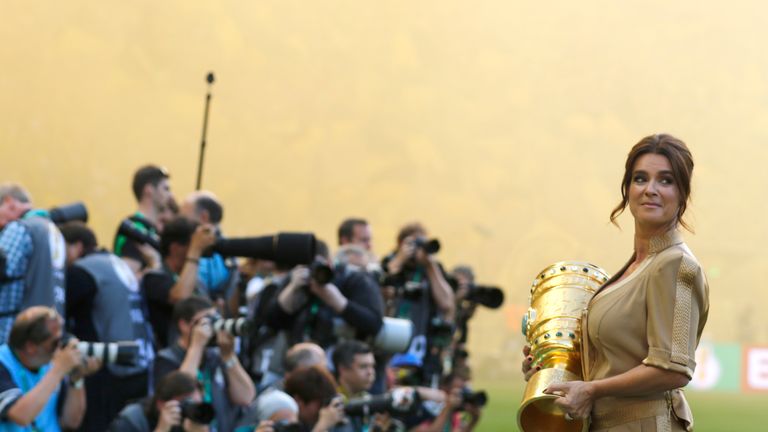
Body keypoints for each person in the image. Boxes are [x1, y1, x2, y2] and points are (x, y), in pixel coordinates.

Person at [524, 134, 709, 431]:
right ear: (627, 189)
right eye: (640, 178)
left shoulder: (674, 264)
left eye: (665, 180)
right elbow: (612, 362)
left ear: (682, 193)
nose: (650, 189)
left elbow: (674, 369)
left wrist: (592, 390)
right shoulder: (638, 266)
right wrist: (551, 371)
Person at [60, 222, 155, 431]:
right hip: (138, 363)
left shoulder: (85, 269)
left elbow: (57, 311)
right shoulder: (115, 263)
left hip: (108, 370)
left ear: (76, 246)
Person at [154, 296, 256, 432]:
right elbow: (180, 390)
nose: (212, 326)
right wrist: (196, 346)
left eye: (215, 319)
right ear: (184, 325)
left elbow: (246, 397)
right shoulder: (166, 359)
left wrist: (228, 356)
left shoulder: (215, 356)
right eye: (206, 321)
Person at [0, 306, 100, 431]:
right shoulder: (3, 363)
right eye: (55, 342)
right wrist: (58, 369)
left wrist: (76, 378)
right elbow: (21, 416)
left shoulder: (51, 364)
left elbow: (71, 422)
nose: (60, 348)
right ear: (31, 347)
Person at [381, 223, 454, 387]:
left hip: (422, 348)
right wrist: (399, 259)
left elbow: (447, 304)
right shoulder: (389, 263)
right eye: (412, 243)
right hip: (390, 345)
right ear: (400, 244)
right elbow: (380, 287)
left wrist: (430, 266)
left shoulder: (432, 269)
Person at [0, 184, 67, 344]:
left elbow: (3, 269)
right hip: (46, 335)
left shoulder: (19, 227)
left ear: (10, 203)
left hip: (13, 337)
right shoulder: (53, 231)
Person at [142, 217, 216, 348]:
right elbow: (181, 298)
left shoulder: (196, 281)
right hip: (170, 359)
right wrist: (195, 251)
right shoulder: (154, 277)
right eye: (191, 244)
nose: (200, 250)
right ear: (175, 248)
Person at [180, 191, 238, 305]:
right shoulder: (230, 251)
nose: (180, 221)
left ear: (204, 217)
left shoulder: (194, 247)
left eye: (184, 216)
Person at [113, 165, 174, 275]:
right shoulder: (134, 230)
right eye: (166, 189)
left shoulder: (150, 229)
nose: (170, 195)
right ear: (149, 190)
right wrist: (155, 266)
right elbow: (129, 280)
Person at [108, 370, 211, 432]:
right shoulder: (132, 421)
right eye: (186, 403)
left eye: (196, 403)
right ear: (161, 404)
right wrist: (162, 429)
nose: (192, 408)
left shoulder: (191, 423)